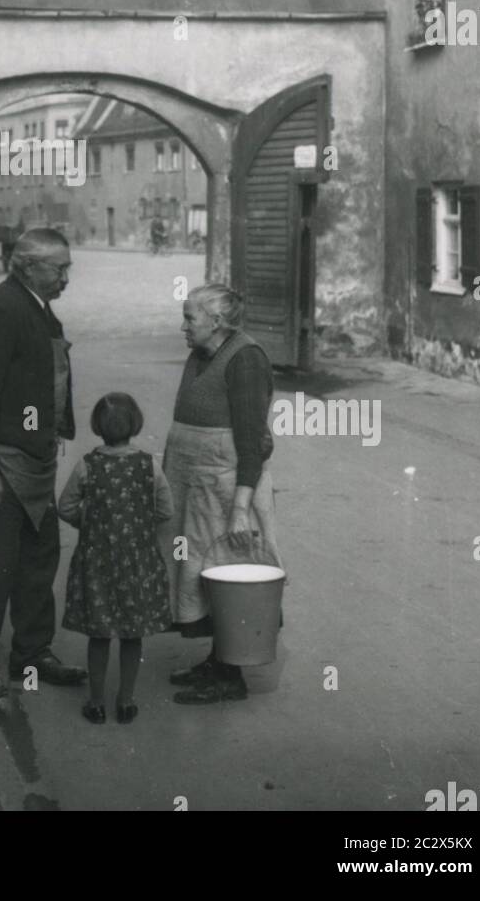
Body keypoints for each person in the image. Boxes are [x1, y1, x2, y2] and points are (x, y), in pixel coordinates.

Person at [0, 228, 87, 701]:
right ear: (26, 265)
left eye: (67, 267)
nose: (67, 276)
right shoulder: (1, 312)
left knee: (37, 559)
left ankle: (32, 654)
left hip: (31, 460)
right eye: (58, 268)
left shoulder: (38, 310)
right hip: (0, 462)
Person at [162, 283, 282, 705]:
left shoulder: (245, 360)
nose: (183, 326)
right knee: (201, 574)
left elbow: (251, 442)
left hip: (228, 491)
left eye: (190, 317)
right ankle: (217, 661)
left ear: (216, 321)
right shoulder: (201, 354)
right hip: (197, 489)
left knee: (229, 579)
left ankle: (231, 678)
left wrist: (240, 511)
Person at [58, 393, 174, 724]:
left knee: (99, 632)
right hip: (137, 563)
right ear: (135, 424)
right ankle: (126, 701)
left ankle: (95, 702)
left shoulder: (87, 465)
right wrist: (137, 525)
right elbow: (166, 509)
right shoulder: (148, 465)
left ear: (97, 426)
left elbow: (65, 506)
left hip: (97, 563)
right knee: (131, 633)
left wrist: (91, 523)